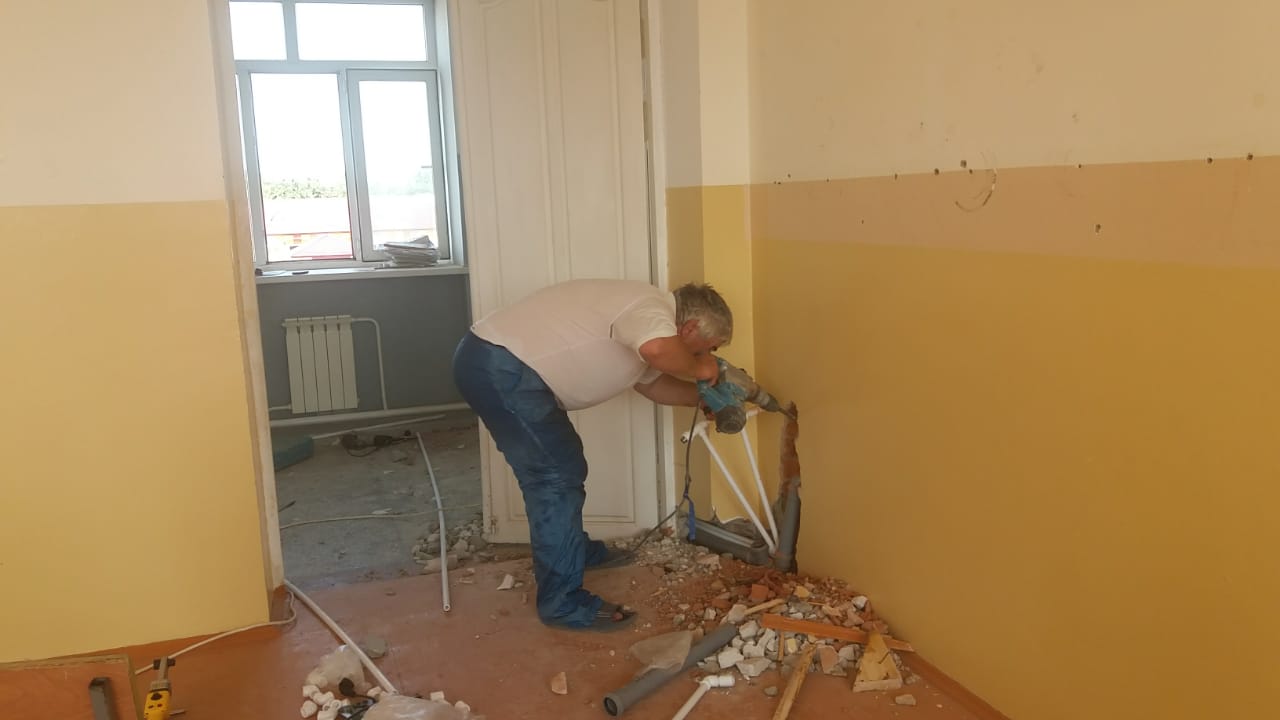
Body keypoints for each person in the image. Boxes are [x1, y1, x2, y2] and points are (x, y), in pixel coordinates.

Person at [452, 280, 733, 632]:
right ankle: (562, 603)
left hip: (500, 364)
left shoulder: (647, 325)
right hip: (500, 366)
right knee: (555, 478)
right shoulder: (651, 308)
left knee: (564, 466)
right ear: (689, 329)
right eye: (707, 348)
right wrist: (702, 370)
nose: (707, 356)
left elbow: (652, 384)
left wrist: (702, 398)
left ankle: (572, 552)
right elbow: (659, 350)